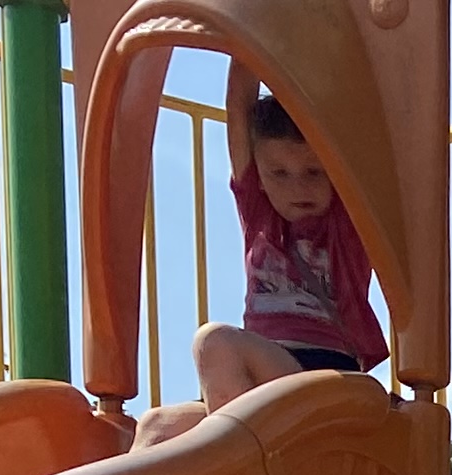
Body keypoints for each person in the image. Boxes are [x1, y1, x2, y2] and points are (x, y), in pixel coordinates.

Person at [130, 73, 388, 448]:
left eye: (314, 172)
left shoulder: (344, 221)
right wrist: (243, 29)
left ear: (335, 171)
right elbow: (239, 107)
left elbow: (368, 130)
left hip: (324, 376)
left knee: (215, 342)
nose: (297, 186)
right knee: (156, 427)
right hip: (260, 379)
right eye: (279, 173)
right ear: (261, 178)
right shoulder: (260, 213)